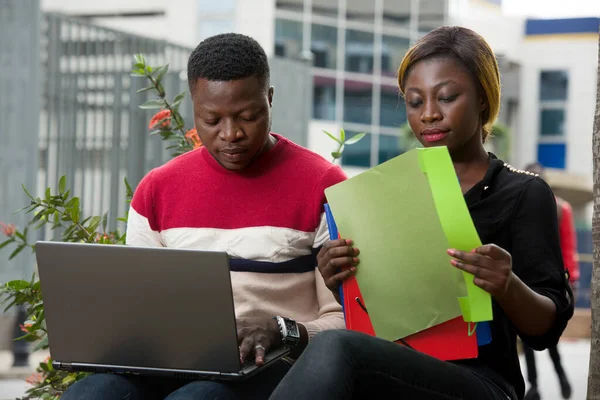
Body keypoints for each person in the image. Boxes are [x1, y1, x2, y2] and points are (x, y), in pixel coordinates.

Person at [269, 26, 574, 400]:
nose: (429, 114)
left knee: (336, 346)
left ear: (482, 98)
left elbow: (545, 332)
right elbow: (377, 316)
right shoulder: (388, 193)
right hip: (396, 365)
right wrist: (340, 281)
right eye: (415, 102)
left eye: (446, 97)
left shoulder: (524, 192)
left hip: (482, 382)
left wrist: (507, 284)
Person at [61, 33, 346, 400]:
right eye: (212, 119)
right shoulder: (157, 191)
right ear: (194, 107)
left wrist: (282, 328)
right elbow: (136, 311)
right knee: (92, 394)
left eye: (248, 116)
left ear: (269, 99)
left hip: (277, 364)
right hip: (175, 361)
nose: (231, 134)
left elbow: (345, 324)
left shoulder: (324, 186)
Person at [520, 162, 580, 400]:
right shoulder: (520, 205)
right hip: (524, 278)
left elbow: (568, 244)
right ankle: (533, 386)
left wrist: (570, 278)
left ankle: (561, 376)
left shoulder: (560, 208)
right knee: (525, 336)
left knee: (549, 337)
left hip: (552, 280)